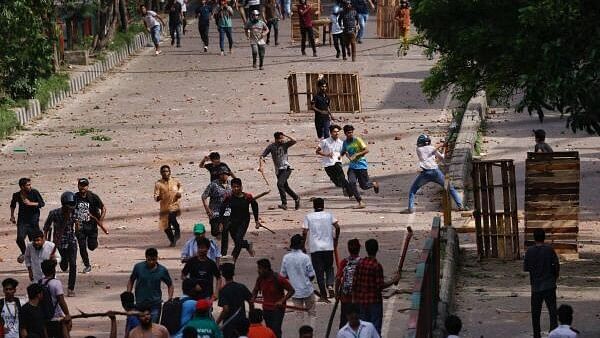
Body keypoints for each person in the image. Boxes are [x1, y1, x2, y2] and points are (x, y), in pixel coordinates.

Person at [405, 134, 463, 214]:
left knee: (413, 190)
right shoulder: (431, 148)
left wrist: (442, 146)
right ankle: (460, 205)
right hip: (436, 172)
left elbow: (431, 150)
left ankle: (410, 208)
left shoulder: (418, 149)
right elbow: (441, 157)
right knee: (450, 188)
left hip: (425, 173)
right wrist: (443, 147)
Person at [352, 239, 400, 334]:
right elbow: (380, 286)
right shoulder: (376, 266)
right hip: (374, 302)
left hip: (362, 301)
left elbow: (354, 283)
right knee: (375, 328)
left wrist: (355, 299)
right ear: (377, 249)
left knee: (364, 328)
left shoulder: (360, 263)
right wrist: (393, 280)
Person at [524, 228, 559, 338]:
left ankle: (536, 334)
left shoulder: (530, 251)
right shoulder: (550, 250)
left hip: (536, 286)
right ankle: (553, 332)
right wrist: (554, 278)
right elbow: (556, 267)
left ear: (534, 238)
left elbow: (526, 268)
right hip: (549, 284)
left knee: (535, 313)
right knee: (552, 311)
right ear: (544, 237)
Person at [303, 198, 340, 301]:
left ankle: (323, 295)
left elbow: (305, 232)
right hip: (328, 246)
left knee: (319, 272)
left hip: (315, 248)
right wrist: (336, 239)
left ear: (314, 206)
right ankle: (330, 285)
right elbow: (337, 227)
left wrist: (303, 245)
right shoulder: (329, 215)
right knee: (329, 267)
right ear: (323, 205)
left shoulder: (309, 217)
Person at [43, 191, 79, 297]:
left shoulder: (75, 213)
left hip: (71, 241)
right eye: (68, 207)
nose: (70, 209)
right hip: (59, 243)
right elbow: (46, 227)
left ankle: (71, 288)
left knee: (73, 264)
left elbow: (77, 231)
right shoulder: (54, 213)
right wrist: (45, 242)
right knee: (62, 265)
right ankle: (51, 284)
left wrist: (77, 225)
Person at [127, 248, 174, 323]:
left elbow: (170, 285)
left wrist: (170, 298)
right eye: (149, 260)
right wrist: (128, 293)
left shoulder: (162, 270)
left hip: (155, 304)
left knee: (153, 327)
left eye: (154, 259)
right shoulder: (138, 267)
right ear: (146, 258)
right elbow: (131, 280)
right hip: (140, 303)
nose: (151, 262)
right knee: (138, 327)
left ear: (157, 258)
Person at [251, 259, 295, 338]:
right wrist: (253, 298)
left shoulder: (278, 279)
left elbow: (291, 291)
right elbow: (255, 290)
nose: (258, 271)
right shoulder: (260, 278)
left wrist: (282, 301)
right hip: (266, 308)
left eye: (260, 268)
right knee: (269, 329)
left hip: (277, 309)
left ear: (266, 269)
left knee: (276, 329)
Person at [218, 178, 260, 260]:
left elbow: (255, 206)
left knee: (238, 241)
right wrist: (221, 222)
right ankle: (247, 244)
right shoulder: (229, 197)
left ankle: (232, 261)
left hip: (244, 221)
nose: (236, 188)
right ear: (231, 187)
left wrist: (256, 220)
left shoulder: (247, 197)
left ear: (241, 187)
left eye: (238, 186)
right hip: (232, 221)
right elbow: (222, 209)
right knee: (238, 242)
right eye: (234, 187)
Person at [341, 125, 380, 209]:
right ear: (345, 133)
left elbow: (366, 150)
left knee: (364, 186)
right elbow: (343, 151)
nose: (350, 134)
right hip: (352, 167)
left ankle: (374, 184)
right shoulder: (345, 142)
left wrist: (356, 154)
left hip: (361, 166)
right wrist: (339, 157)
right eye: (348, 133)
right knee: (352, 183)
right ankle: (360, 202)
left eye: (351, 132)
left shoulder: (357, 140)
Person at [260, 131, 300, 210]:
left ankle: (284, 204)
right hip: (278, 171)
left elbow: (295, 140)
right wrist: (261, 164)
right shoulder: (271, 147)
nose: (282, 140)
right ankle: (296, 197)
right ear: (276, 139)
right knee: (285, 187)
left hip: (286, 169)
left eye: (283, 138)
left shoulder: (285, 145)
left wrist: (285, 135)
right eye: (281, 138)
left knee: (279, 184)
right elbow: (262, 156)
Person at [74, 178, 107, 274]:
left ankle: (95, 243)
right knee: (82, 246)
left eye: (84, 185)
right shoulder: (75, 197)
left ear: (87, 186)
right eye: (81, 185)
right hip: (80, 227)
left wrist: (100, 220)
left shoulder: (93, 197)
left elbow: (103, 208)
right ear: (78, 186)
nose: (82, 187)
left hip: (92, 226)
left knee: (92, 246)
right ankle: (87, 265)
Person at [280, 234, 317, 321]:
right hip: (307, 290)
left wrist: (292, 277)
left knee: (299, 316)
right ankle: (312, 332)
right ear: (301, 245)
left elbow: (282, 276)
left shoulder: (286, 258)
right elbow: (311, 275)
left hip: (294, 291)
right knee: (312, 314)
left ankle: (300, 332)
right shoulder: (305, 258)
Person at [10, 177, 45, 263]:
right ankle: (25, 253)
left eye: (30, 185)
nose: (30, 186)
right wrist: (12, 216)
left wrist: (31, 203)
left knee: (34, 241)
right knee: (19, 239)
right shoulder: (16, 195)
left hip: (33, 221)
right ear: (22, 187)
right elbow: (13, 205)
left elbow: (42, 203)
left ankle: (37, 259)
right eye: (27, 185)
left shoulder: (34, 192)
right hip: (22, 221)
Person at [216, 263, 254, 338]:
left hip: (229, 325)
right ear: (233, 273)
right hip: (242, 323)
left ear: (223, 274)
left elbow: (226, 309)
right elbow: (251, 301)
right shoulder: (241, 287)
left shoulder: (223, 290)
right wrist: (251, 315)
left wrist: (217, 322)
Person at [182, 238, 223, 302]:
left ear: (207, 249)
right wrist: (194, 284)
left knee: (207, 311)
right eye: (199, 247)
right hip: (193, 295)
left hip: (207, 295)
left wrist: (216, 293)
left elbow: (219, 278)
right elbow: (183, 276)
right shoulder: (191, 261)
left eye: (203, 248)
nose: (201, 250)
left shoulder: (211, 263)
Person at [317, 124, 351, 197]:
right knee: (336, 182)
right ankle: (344, 187)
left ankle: (351, 192)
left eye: (338, 131)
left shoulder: (341, 142)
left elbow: (345, 152)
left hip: (337, 162)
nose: (337, 133)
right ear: (331, 133)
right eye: (335, 132)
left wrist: (351, 159)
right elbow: (317, 151)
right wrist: (326, 155)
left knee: (342, 177)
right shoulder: (325, 141)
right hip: (328, 164)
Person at [40, 259, 72, 338]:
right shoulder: (56, 283)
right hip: (56, 318)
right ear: (53, 270)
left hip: (45, 318)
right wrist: (67, 314)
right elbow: (61, 300)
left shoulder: (40, 282)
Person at [154, 165, 183, 246]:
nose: (165, 173)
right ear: (160, 173)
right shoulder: (158, 184)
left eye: (166, 171)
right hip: (164, 208)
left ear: (170, 172)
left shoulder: (175, 181)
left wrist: (179, 193)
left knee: (172, 219)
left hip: (174, 206)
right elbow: (155, 197)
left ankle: (177, 234)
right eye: (163, 171)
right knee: (165, 227)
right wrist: (160, 197)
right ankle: (172, 240)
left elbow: (181, 187)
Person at [335, 238, 361, 328]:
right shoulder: (362, 262)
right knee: (359, 321)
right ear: (359, 248)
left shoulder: (344, 262)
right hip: (358, 297)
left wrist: (336, 292)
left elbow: (338, 278)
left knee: (344, 320)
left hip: (345, 297)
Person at [202, 167, 232, 238]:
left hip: (228, 211)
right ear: (219, 175)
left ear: (228, 175)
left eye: (225, 174)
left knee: (226, 229)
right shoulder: (213, 185)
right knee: (215, 232)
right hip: (215, 211)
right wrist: (208, 210)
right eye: (222, 174)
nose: (224, 176)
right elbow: (204, 197)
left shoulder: (231, 184)